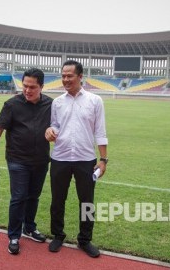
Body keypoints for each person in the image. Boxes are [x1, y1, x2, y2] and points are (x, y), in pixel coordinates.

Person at [0, 68, 53, 255]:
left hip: (41, 160)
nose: (28, 90)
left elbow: (59, 126)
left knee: (33, 196)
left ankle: (29, 227)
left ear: (42, 87)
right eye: (25, 86)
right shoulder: (12, 104)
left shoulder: (51, 104)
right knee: (19, 197)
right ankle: (14, 235)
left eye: (33, 87)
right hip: (17, 159)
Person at [45, 60, 108, 258]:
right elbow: (54, 125)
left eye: (69, 76)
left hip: (85, 159)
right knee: (57, 200)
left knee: (87, 202)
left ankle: (85, 239)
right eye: (63, 76)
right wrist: (50, 131)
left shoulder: (95, 100)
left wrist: (103, 160)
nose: (65, 79)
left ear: (80, 77)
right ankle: (58, 235)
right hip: (60, 158)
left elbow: (100, 131)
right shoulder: (57, 102)